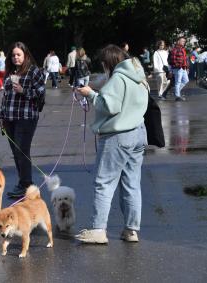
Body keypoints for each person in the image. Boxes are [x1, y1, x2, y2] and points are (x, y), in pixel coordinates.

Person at [75, 44, 148, 244]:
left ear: (109, 62)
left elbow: (109, 105)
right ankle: (131, 230)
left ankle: (99, 229)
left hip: (118, 135)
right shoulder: (138, 75)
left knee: (104, 182)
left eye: (104, 64)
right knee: (132, 183)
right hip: (139, 132)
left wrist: (90, 94)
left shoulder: (118, 78)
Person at [0, 42, 46, 198]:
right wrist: (1, 115)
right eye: (13, 55)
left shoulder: (34, 71)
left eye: (18, 54)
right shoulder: (11, 72)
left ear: (25, 55)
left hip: (26, 117)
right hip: (10, 118)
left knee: (22, 150)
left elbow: (41, 93)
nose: (15, 57)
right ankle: (23, 183)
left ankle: (26, 184)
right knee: (16, 152)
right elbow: (6, 97)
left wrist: (23, 90)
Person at [169, 36, 189, 101]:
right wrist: (178, 65)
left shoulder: (182, 49)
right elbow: (173, 59)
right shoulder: (175, 49)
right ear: (178, 41)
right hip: (178, 68)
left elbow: (185, 59)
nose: (184, 42)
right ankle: (177, 96)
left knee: (186, 80)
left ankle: (176, 92)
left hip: (183, 67)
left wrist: (186, 67)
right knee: (178, 82)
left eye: (184, 41)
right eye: (182, 41)